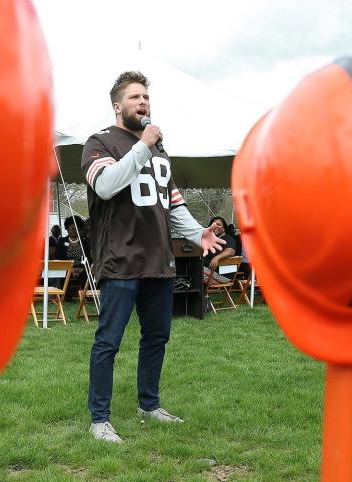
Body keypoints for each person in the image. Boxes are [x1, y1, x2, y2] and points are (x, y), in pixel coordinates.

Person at [81, 71, 225, 443]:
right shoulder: (99, 142)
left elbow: (171, 202)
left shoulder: (159, 150)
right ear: (117, 105)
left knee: (157, 337)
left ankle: (149, 405)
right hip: (121, 260)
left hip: (159, 261)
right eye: (134, 98)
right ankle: (99, 419)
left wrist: (198, 232)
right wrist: (142, 146)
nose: (142, 103)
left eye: (145, 97)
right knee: (108, 341)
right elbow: (107, 185)